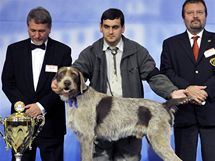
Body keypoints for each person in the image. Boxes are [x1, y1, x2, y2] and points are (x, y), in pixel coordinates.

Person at [51, 8, 186, 161]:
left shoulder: (137, 51)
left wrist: (172, 92)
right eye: (106, 27)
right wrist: (61, 83)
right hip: (101, 126)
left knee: (161, 152)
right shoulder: (90, 52)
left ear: (122, 28)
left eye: (115, 27)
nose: (110, 32)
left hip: (132, 121)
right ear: (100, 27)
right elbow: (77, 71)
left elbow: (153, 75)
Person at [1, 7, 72, 161]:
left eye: (42, 31)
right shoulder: (14, 50)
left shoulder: (63, 51)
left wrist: (40, 106)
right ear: (27, 26)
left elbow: (64, 86)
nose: (37, 35)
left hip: (52, 123)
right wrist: (23, 106)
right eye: (33, 30)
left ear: (50, 29)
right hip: (21, 125)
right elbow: (7, 82)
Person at [160, 0, 215, 161]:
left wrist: (204, 92)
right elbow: (166, 72)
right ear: (183, 17)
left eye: (200, 12)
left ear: (206, 15)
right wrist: (188, 90)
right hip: (184, 115)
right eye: (190, 13)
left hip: (212, 115)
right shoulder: (170, 44)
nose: (195, 16)